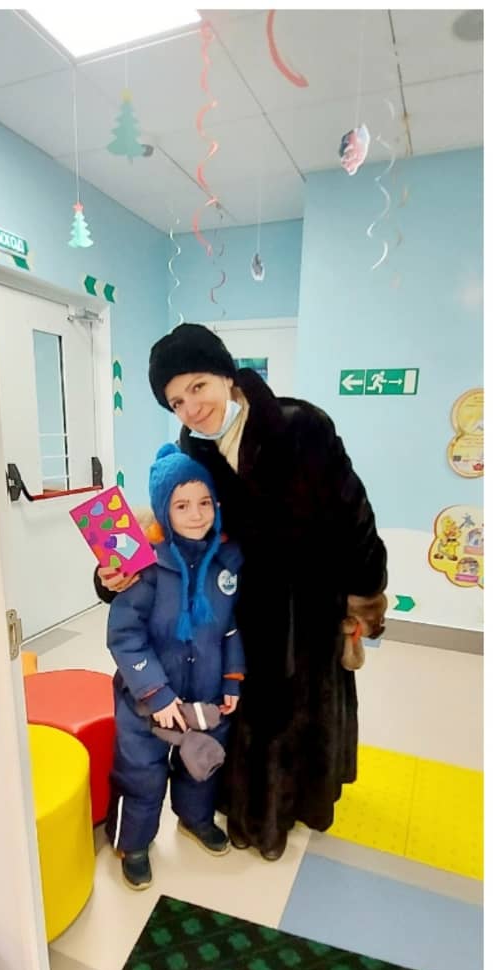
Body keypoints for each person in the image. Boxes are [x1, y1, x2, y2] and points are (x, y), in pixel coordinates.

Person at [96, 324, 387, 861]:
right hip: (239, 607)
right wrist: (115, 570)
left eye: (198, 387)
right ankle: (236, 812)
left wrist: (365, 592)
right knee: (246, 718)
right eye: (176, 401)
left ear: (226, 376)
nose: (191, 408)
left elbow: (354, 513)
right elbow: (173, 523)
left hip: (310, 605)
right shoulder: (193, 450)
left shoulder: (302, 426)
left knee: (305, 715)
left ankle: (292, 811)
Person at [107, 444, 245, 890]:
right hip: (146, 705)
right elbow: (126, 635)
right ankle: (134, 843)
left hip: (205, 699)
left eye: (205, 502)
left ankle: (195, 819)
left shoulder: (226, 562)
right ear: (163, 510)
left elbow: (230, 628)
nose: (196, 514)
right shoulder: (143, 565)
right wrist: (156, 693)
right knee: (142, 775)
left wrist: (232, 679)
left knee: (200, 767)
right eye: (182, 505)